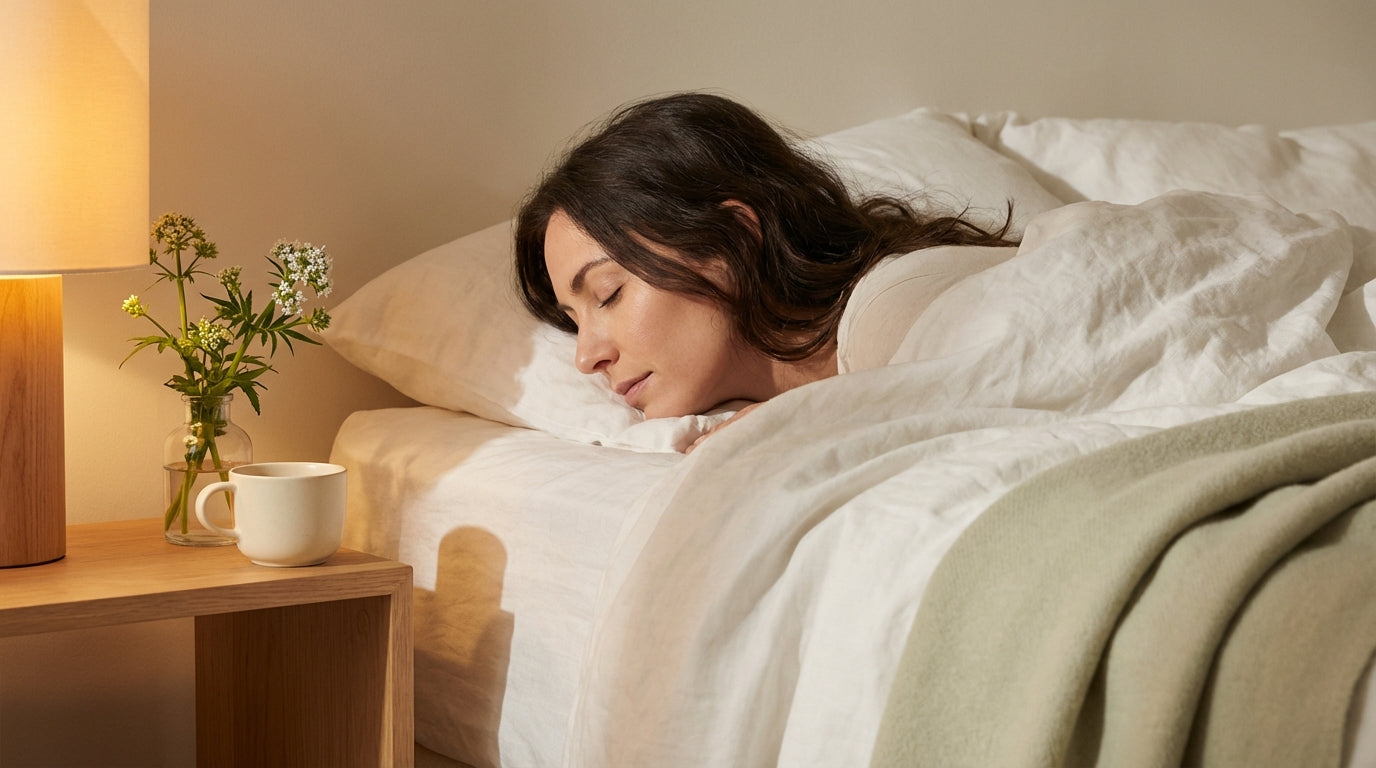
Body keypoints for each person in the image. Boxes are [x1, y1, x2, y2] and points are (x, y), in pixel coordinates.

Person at [514, 92, 1018, 447]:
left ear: (735, 238)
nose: (586, 357)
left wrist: (811, 421)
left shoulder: (897, 301)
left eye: (608, 294)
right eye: (574, 320)